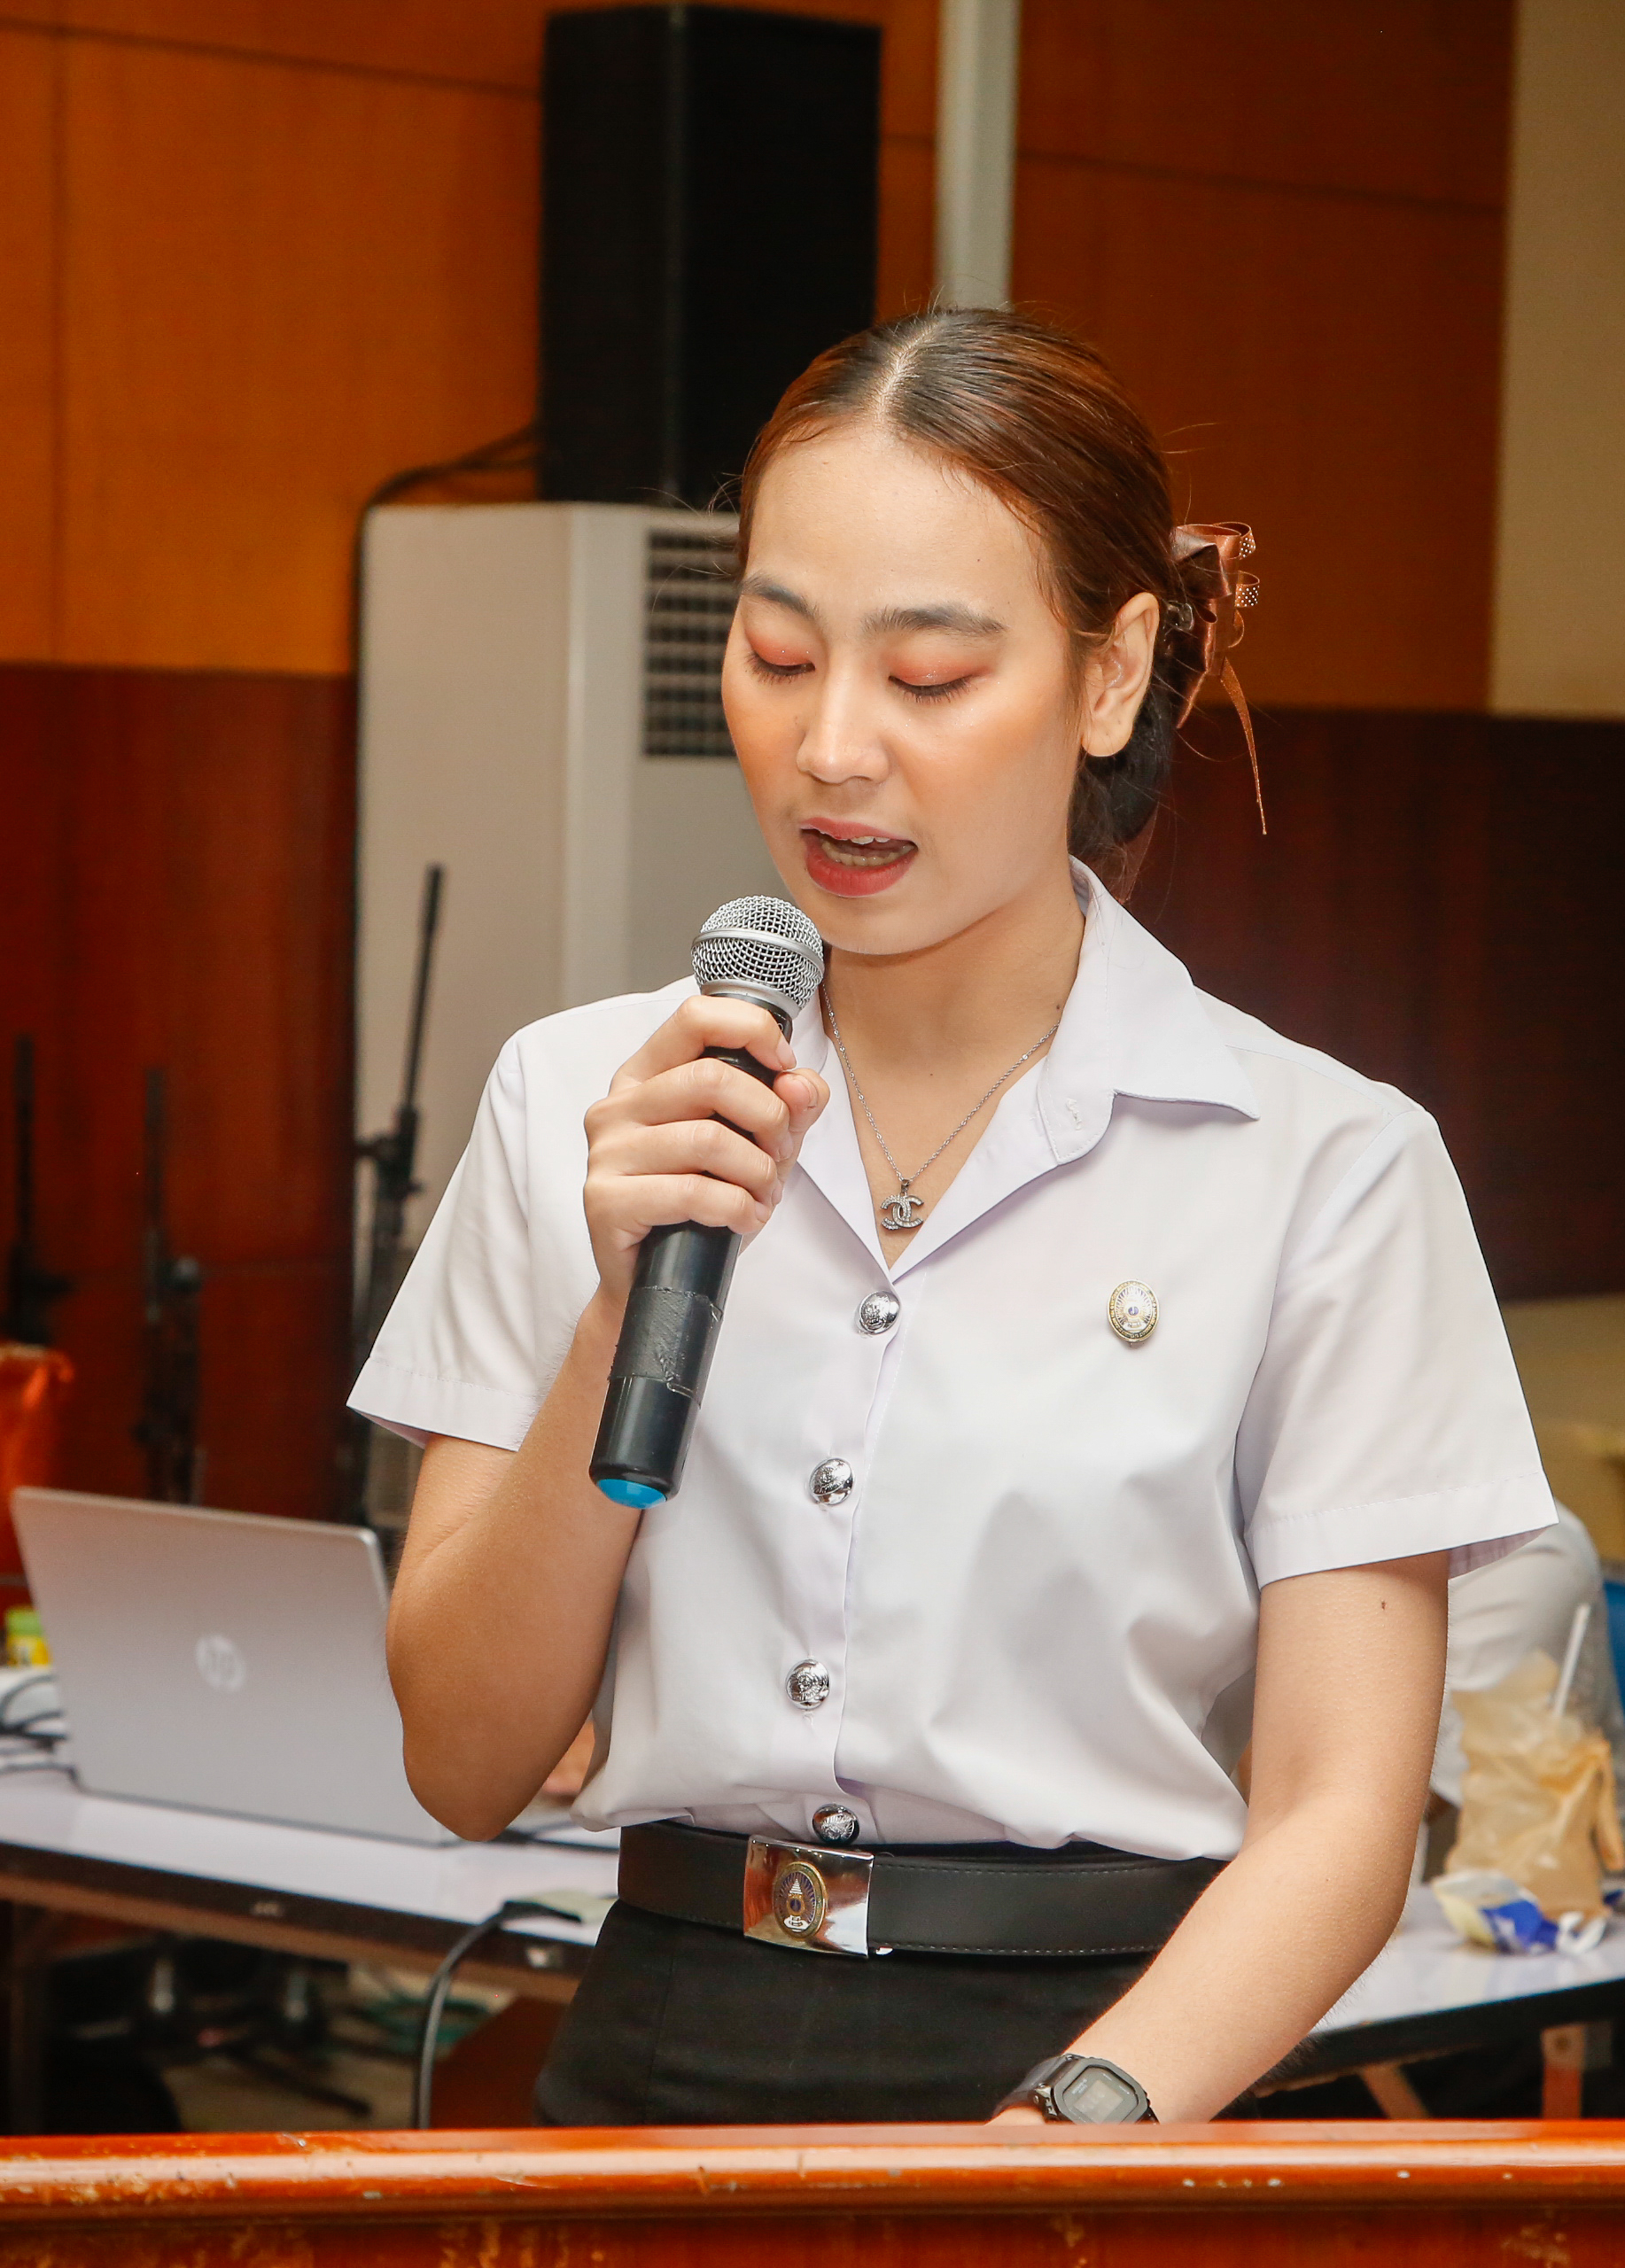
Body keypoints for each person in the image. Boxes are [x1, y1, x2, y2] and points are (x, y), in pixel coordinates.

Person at [354, 307, 1555, 2127]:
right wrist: (618, 1311)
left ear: (1109, 673)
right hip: (667, 2036)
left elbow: (1341, 1816)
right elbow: (460, 1757)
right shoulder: (583, 1102)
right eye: (776, 654)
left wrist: (1071, 2129)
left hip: (1120, 2058)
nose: (831, 748)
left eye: (927, 677)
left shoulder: (1326, 1164)